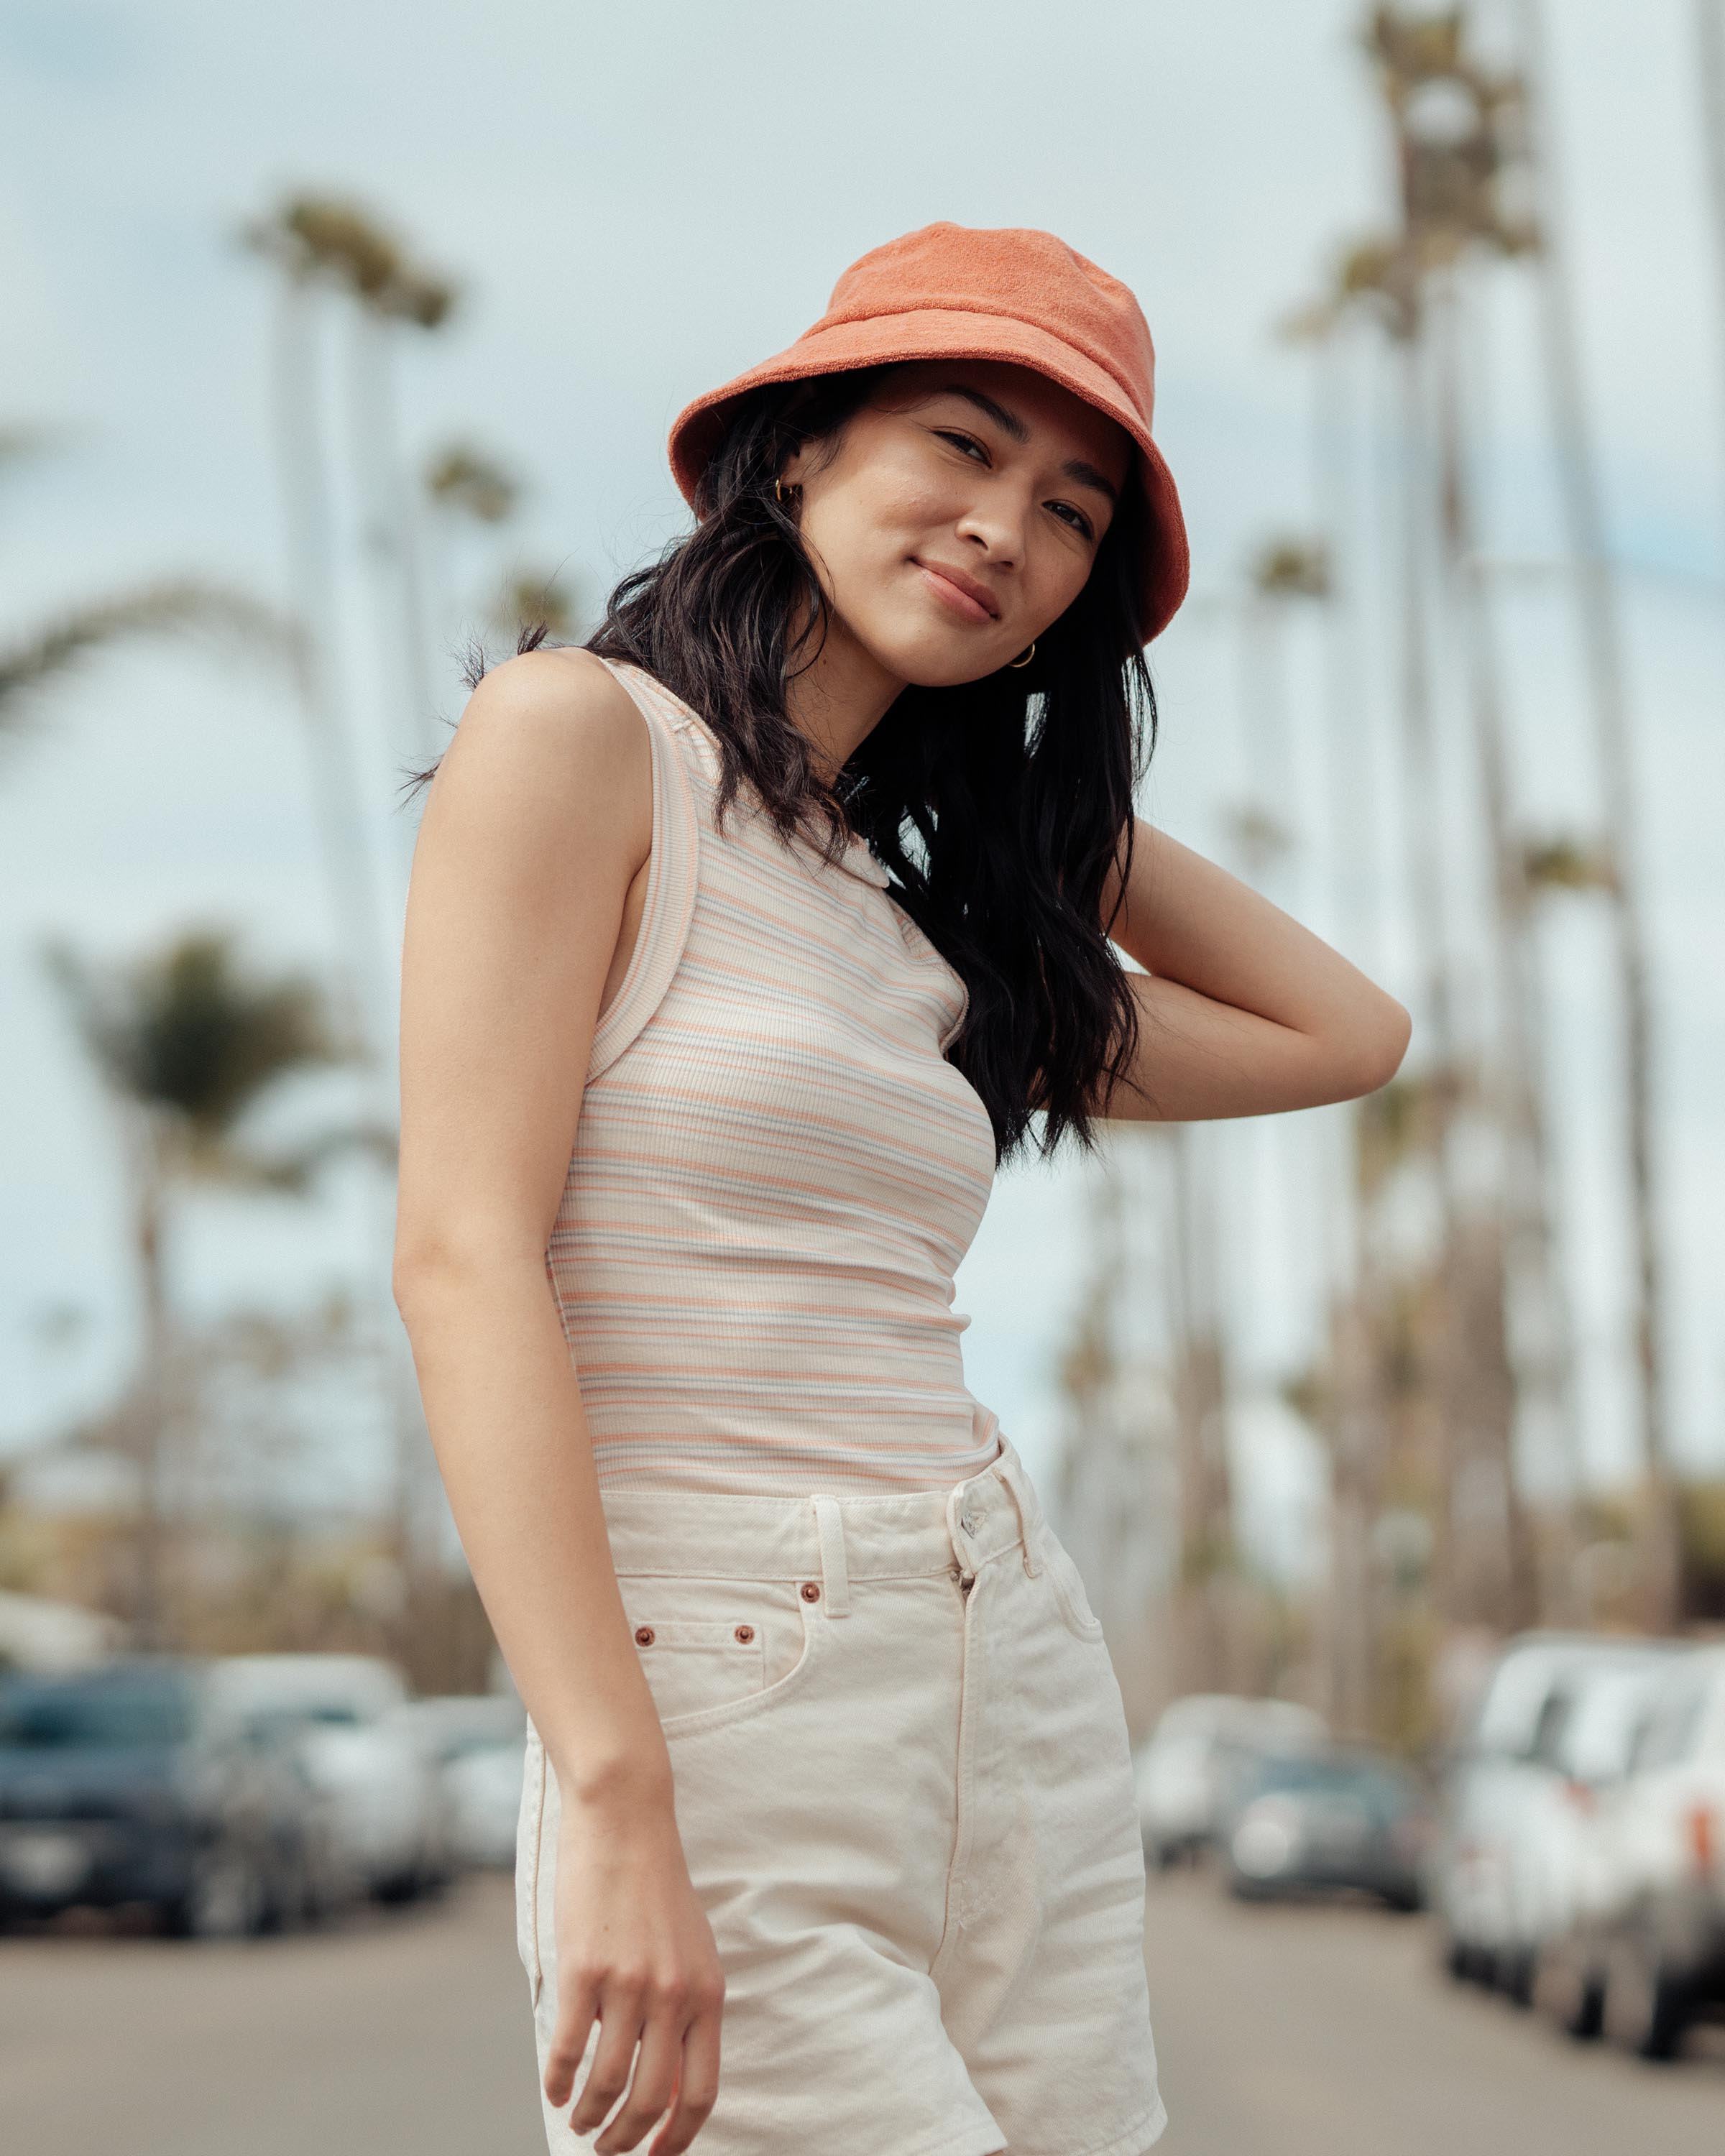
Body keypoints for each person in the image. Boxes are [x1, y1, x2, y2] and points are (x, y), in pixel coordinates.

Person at [392, 221, 1410, 2156]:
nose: (1004, 524)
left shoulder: (921, 937)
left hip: (1004, 1652)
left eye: (1072, 513)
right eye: (955, 442)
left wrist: (1020, 793)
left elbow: (1347, 1033)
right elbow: (460, 1260)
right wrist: (615, 1796)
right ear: (799, 454)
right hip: (723, 1670)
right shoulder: (579, 743)